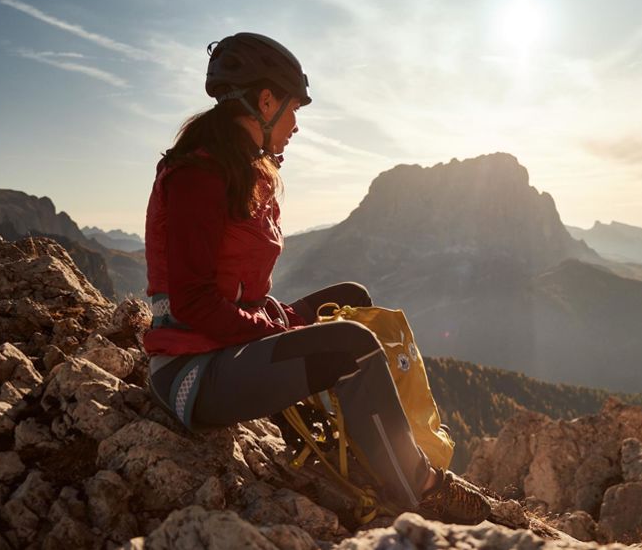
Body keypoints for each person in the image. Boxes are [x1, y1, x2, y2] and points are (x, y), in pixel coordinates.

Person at [142, 32, 489, 525]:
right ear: (265, 101)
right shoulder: (199, 176)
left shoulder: (234, 167)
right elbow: (195, 303)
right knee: (350, 346)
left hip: (221, 347)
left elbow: (235, 292)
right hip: (192, 374)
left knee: (352, 298)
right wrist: (277, 330)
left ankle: (365, 442)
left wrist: (278, 318)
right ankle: (420, 489)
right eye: (292, 109)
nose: (296, 125)